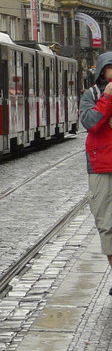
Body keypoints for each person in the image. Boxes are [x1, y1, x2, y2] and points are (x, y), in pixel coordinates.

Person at [79, 50, 112, 288]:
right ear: (102, 71)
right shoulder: (91, 95)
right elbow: (90, 123)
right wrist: (107, 100)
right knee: (106, 224)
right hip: (100, 166)